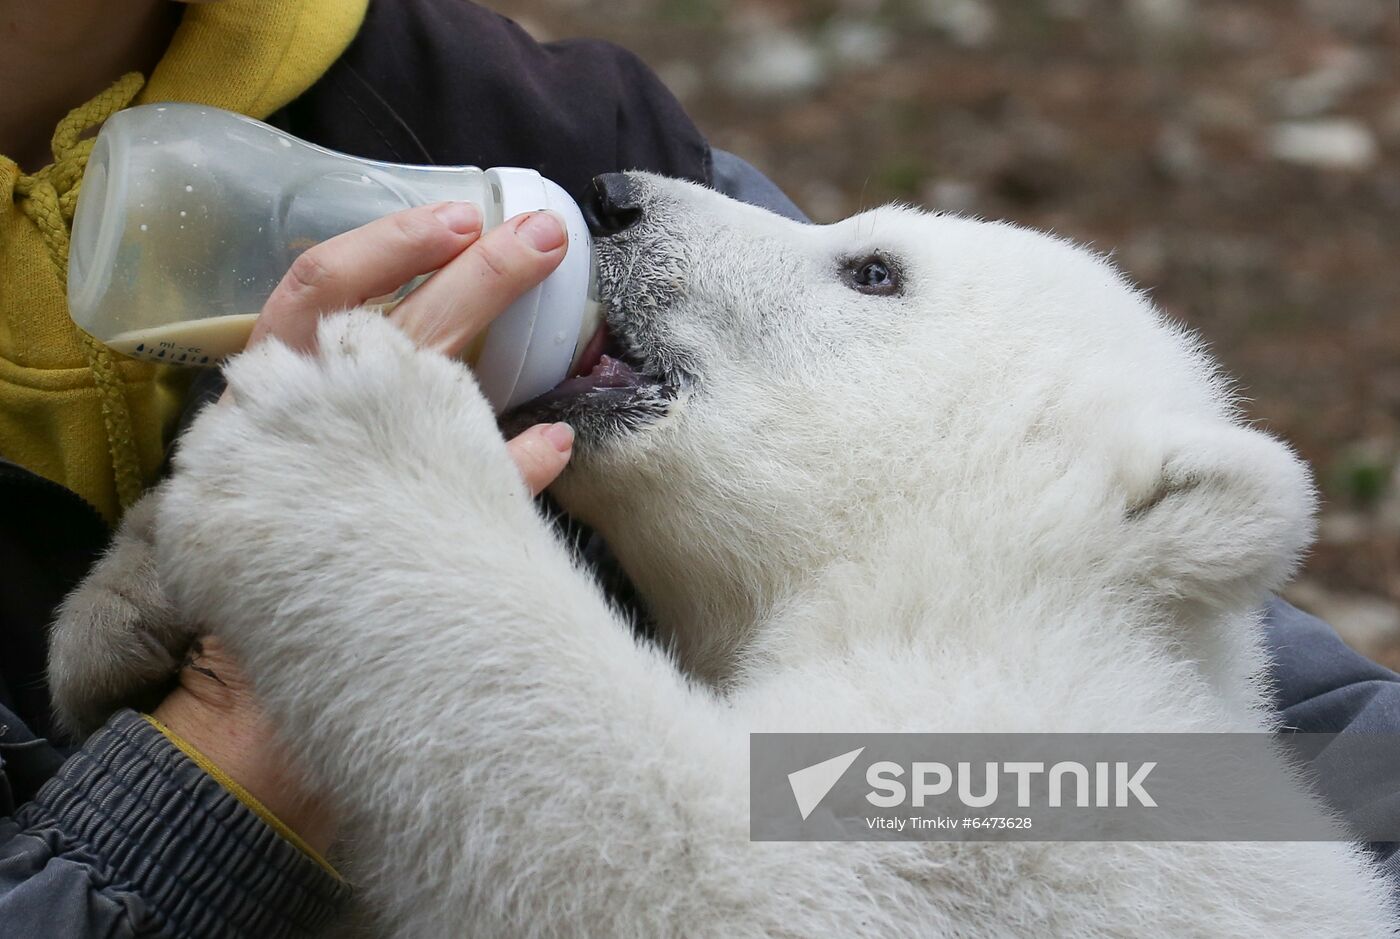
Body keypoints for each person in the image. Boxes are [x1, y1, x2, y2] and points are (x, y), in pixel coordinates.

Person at [0, 1, 1395, 937]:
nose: (645, 211)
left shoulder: (1091, 764)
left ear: (1135, 512)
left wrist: (351, 522)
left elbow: (685, 887)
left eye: (867, 278)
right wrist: (223, 735)